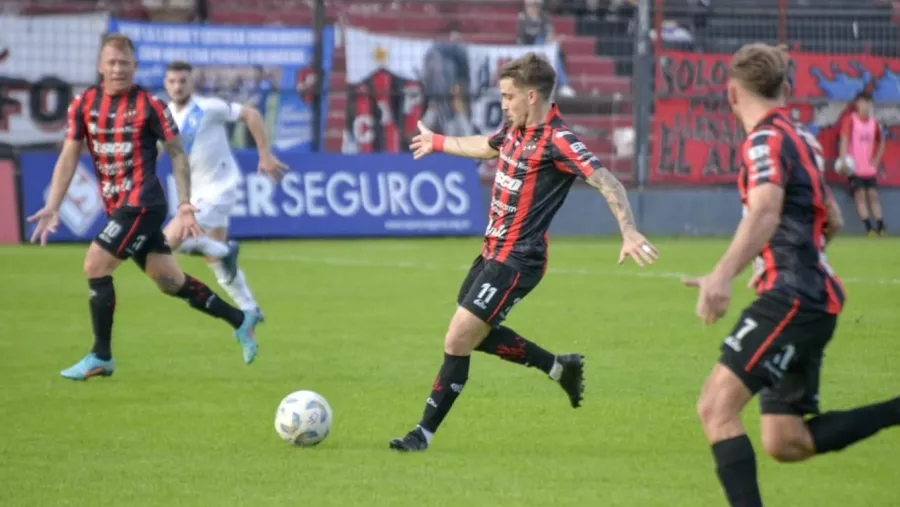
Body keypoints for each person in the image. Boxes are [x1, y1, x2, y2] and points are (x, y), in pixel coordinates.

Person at [388, 52, 660, 452]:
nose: (503, 103)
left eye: (508, 96)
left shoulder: (559, 140)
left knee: (458, 337)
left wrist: (629, 230)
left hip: (518, 259)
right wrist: (438, 142)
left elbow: (607, 181)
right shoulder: (514, 131)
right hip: (491, 253)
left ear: (532, 96)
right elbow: (487, 146)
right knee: (476, 335)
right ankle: (559, 367)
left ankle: (422, 435)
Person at [683, 43, 900, 507]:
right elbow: (833, 220)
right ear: (783, 88)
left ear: (732, 94)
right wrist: (783, 258)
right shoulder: (802, 138)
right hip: (813, 296)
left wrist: (723, 274)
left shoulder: (764, 141)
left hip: (793, 298)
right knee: (786, 439)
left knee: (715, 409)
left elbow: (765, 209)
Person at [27, 34, 263, 380]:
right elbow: (69, 155)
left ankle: (101, 355)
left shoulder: (151, 106)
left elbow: (177, 153)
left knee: (95, 265)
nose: (118, 69)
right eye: (112, 63)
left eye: (124, 63)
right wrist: (52, 205)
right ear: (100, 66)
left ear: (135, 67)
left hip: (143, 203)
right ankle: (241, 320)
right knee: (169, 281)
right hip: (117, 206)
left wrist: (185, 204)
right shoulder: (83, 104)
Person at [162, 61, 287, 318]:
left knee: (165, 243)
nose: (177, 86)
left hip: (219, 189)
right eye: (172, 81)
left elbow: (250, 114)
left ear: (192, 82)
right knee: (215, 259)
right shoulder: (165, 116)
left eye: (183, 81)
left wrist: (264, 154)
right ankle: (250, 309)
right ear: (166, 84)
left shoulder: (209, 107)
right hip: (195, 193)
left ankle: (226, 251)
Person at [839, 91, 886, 236]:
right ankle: (869, 228)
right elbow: (844, 140)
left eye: (868, 103)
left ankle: (881, 227)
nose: (866, 106)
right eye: (863, 102)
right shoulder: (851, 120)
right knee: (860, 196)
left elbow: (882, 142)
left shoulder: (874, 123)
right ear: (857, 104)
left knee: (873, 195)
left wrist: (876, 160)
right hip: (855, 168)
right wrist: (843, 160)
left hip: (869, 169)